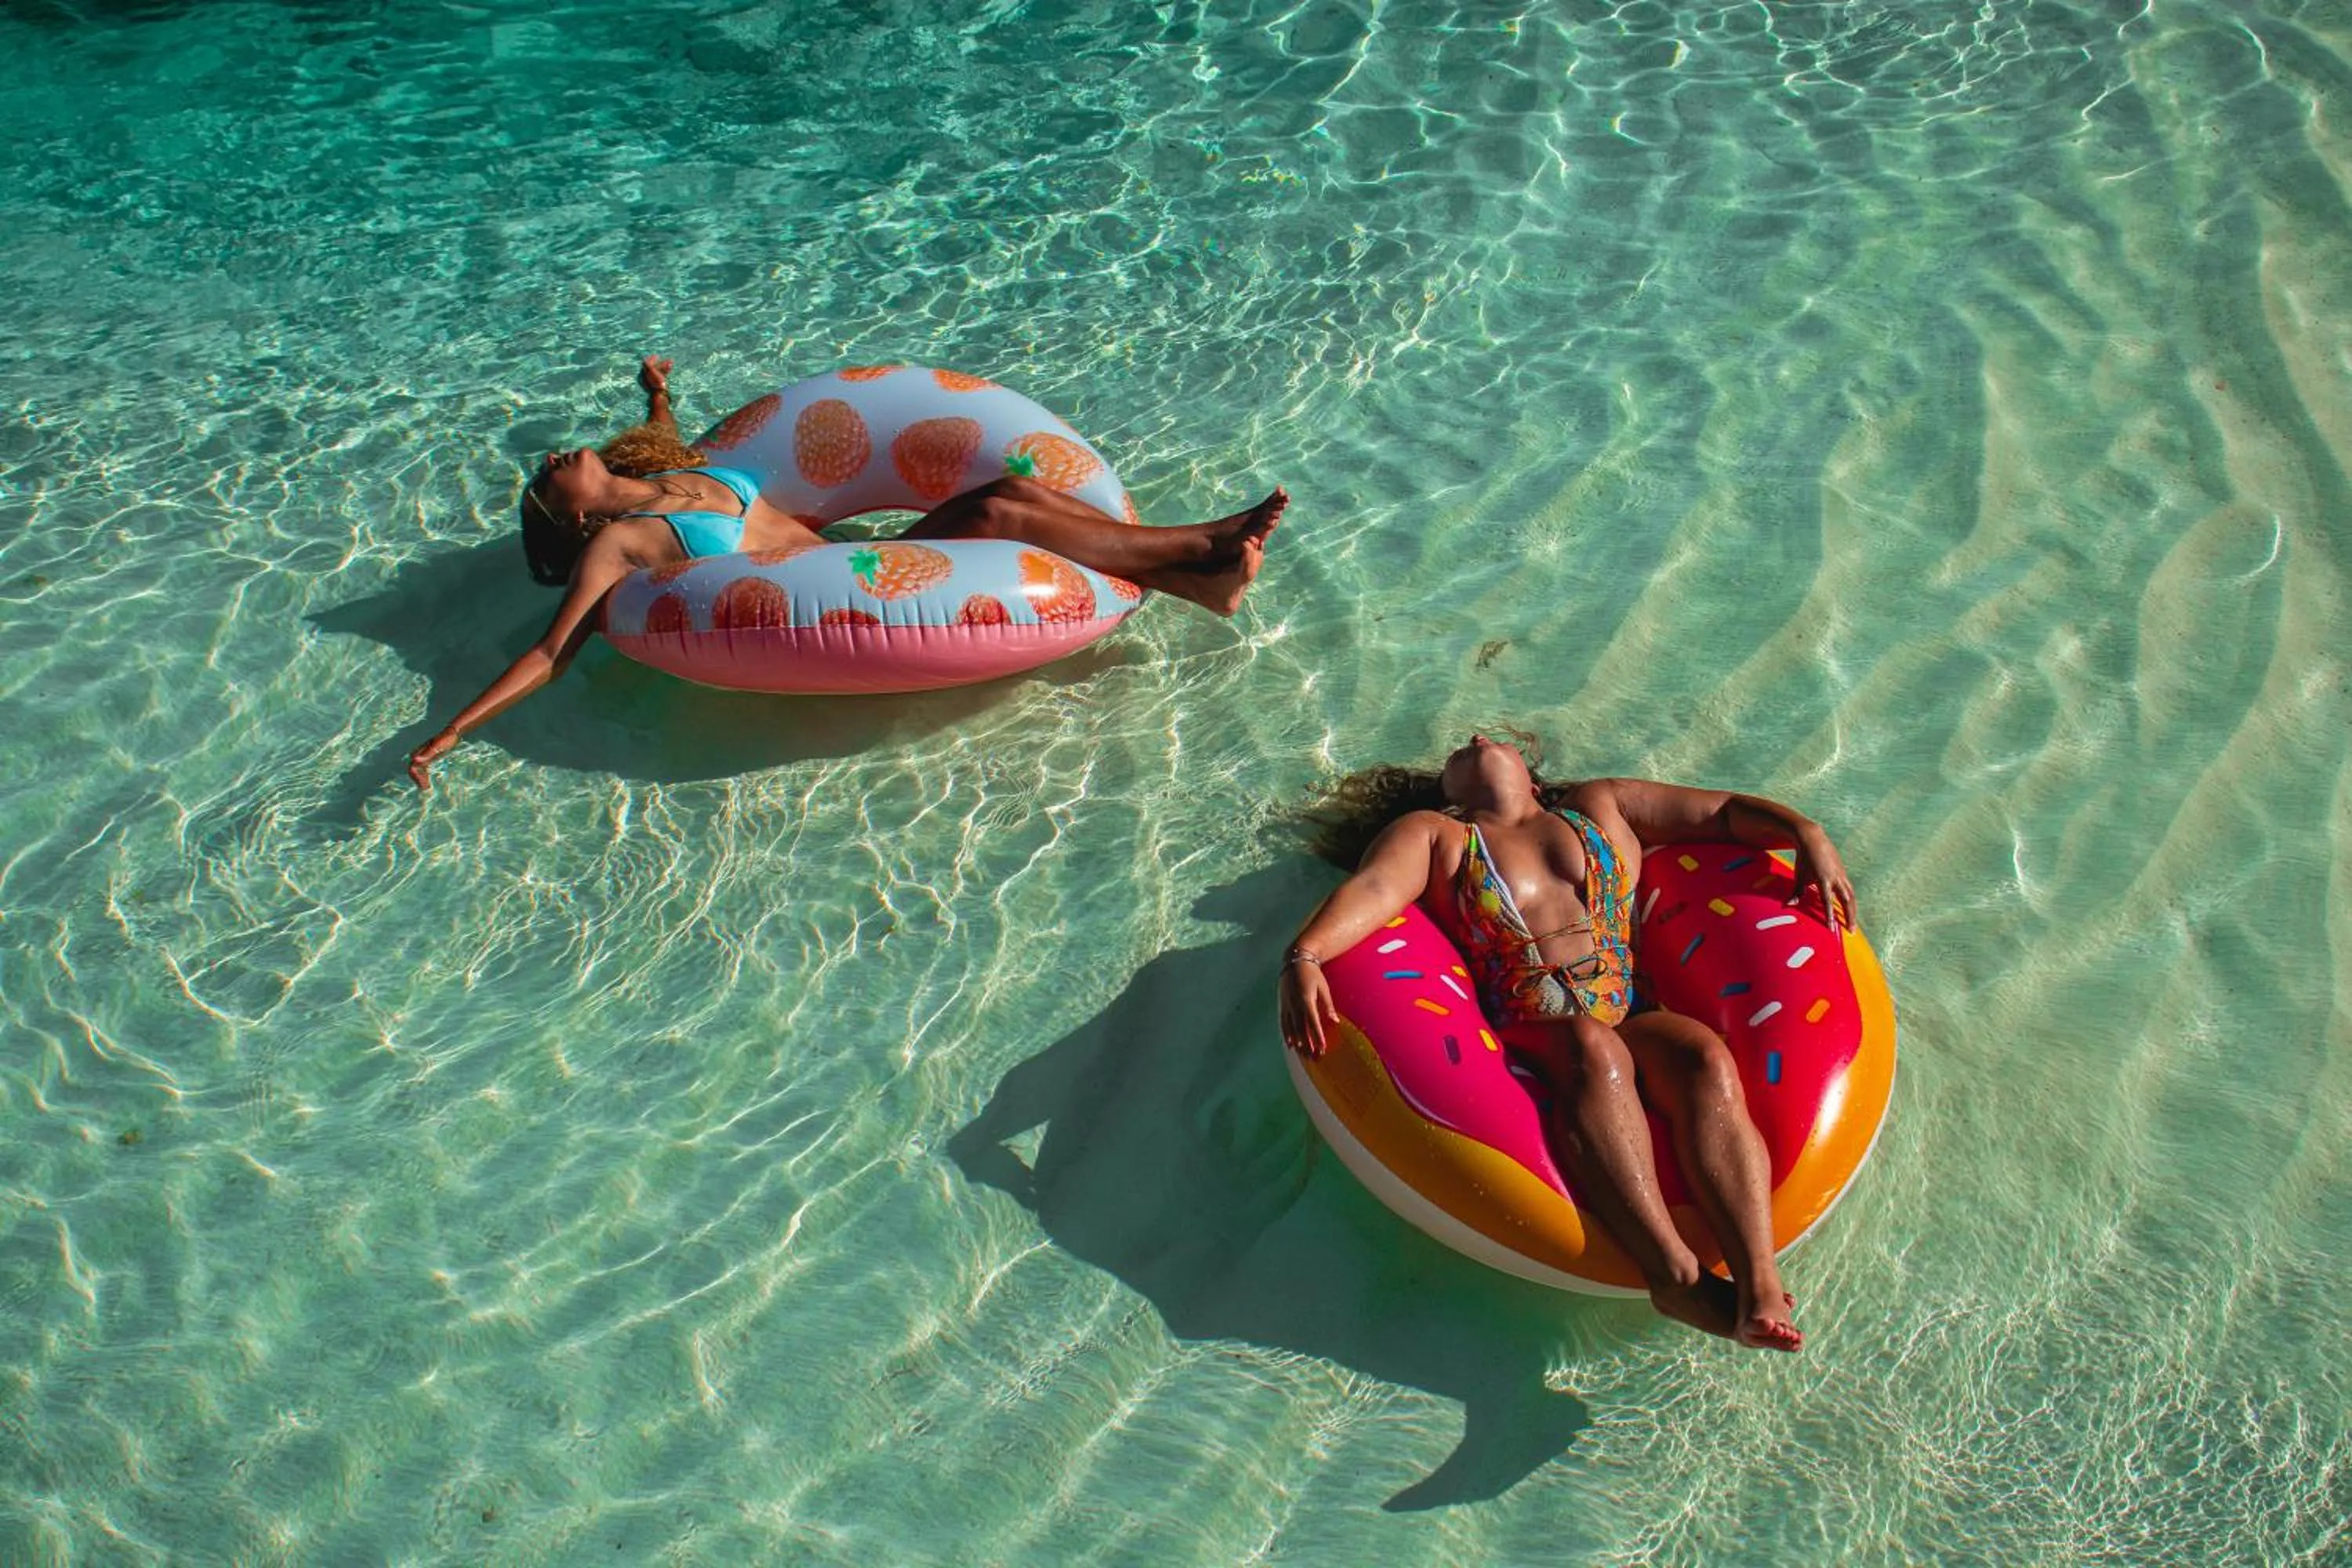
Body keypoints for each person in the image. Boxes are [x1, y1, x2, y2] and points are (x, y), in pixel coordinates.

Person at [407, 356, 1289, 788]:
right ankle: (1199, 550)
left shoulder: (668, 465)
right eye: (546, 480)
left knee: (1012, 490)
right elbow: (552, 651)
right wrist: (451, 731)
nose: (554, 457)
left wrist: (657, 388)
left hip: (869, 560)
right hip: (849, 581)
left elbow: (666, 433)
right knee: (998, 509)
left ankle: (1200, 565)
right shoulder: (621, 544)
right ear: (578, 517)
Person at [1279, 731, 1860, 1352]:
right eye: (1457, 753)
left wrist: (1808, 834)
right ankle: (1674, 1276)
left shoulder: (1600, 807)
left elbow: (1719, 815)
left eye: (1489, 737)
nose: (1476, 738)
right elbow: (1374, 890)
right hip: (1531, 1027)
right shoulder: (1439, 837)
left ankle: (1760, 1283)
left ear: (1533, 777)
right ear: (1448, 793)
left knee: (1700, 1055)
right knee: (1591, 1043)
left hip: (1629, 1009)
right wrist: (1305, 955)